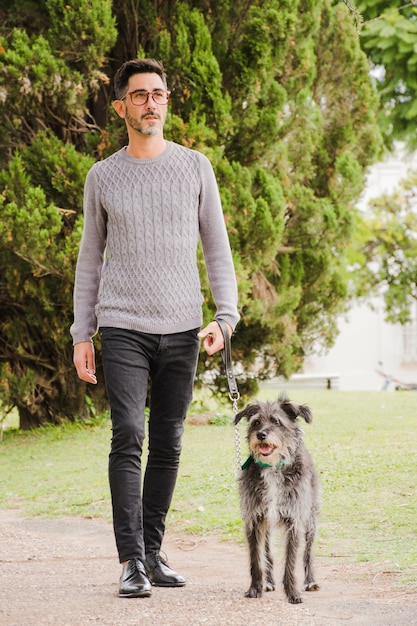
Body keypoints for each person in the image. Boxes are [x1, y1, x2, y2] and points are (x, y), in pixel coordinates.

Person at [70, 58, 239, 598]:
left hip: (183, 326)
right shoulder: (103, 176)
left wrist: (225, 318)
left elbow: (217, 247)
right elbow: (89, 262)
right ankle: (131, 561)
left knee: (167, 442)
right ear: (121, 107)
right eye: (139, 95)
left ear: (168, 102)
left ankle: (153, 551)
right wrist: (82, 332)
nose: (150, 102)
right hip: (122, 327)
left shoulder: (196, 168)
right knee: (130, 436)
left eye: (158, 93)